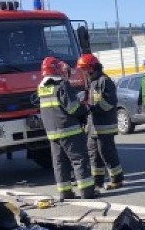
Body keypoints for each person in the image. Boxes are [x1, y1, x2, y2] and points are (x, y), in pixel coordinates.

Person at [37, 56, 95, 201]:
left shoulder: (42, 87)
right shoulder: (62, 85)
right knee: (79, 160)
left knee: (60, 163)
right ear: (56, 69)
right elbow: (73, 108)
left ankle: (65, 193)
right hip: (69, 130)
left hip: (52, 133)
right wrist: (86, 108)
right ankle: (87, 192)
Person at [77, 53, 124, 190]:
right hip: (93, 126)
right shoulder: (91, 82)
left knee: (106, 152)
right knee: (93, 154)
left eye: (84, 69)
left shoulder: (105, 81)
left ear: (92, 68)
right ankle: (97, 182)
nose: (83, 72)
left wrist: (91, 108)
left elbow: (109, 103)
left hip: (105, 125)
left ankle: (117, 179)